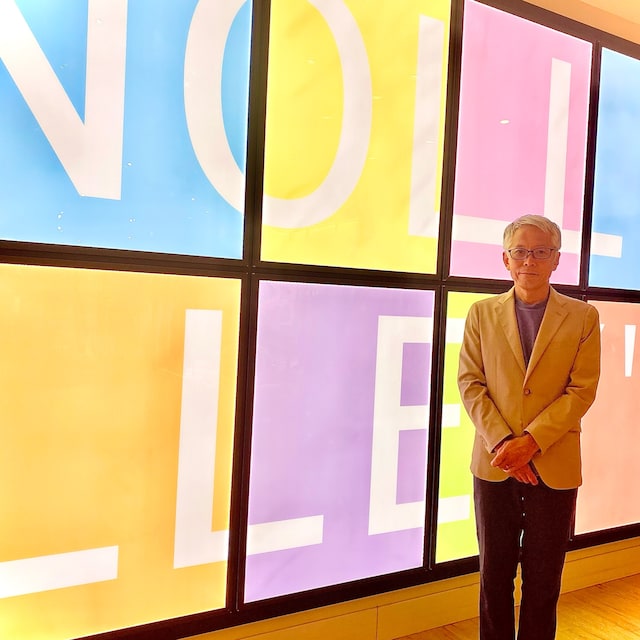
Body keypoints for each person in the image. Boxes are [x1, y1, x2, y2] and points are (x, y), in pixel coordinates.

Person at [457, 214, 601, 640]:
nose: (529, 260)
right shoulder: (481, 314)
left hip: (553, 466)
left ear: (556, 259)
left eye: (541, 251)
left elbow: (582, 390)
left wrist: (532, 442)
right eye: (520, 251)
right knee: (493, 576)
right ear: (505, 259)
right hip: (496, 463)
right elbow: (470, 382)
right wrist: (506, 443)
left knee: (544, 581)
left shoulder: (583, 316)